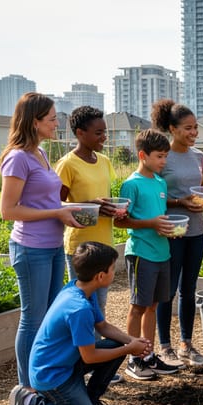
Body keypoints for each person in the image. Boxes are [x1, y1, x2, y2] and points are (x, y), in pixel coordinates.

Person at [6, 242, 152, 405]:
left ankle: (91, 403)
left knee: (116, 344)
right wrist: (129, 349)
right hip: (51, 375)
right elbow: (90, 357)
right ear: (100, 276)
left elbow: (103, 327)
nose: (114, 273)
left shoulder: (79, 288)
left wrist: (132, 341)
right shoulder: (78, 309)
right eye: (112, 269)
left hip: (66, 363)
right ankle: (32, 402)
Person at [0, 92, 83, 389]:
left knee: (48, 318)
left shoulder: (41, 153)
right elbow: (8, 210)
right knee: (32, 319)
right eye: (51, 118)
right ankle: (27, 388)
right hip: (30, 247)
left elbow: (45, 200)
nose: (56, 122)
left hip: (52, 246)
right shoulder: (18, 158)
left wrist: (64, 210)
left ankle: (44, 380)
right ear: (34, 122)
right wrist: (57, 212)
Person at [114, 129, 182, 380]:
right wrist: (152, 224)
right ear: (143, 155)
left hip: (162, 252)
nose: (164, 162)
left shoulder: (160, 182)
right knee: (137, 306)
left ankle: (148, 355)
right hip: (141, 252)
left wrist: (169, 230)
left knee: (153, 306)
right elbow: (120, 222)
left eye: (166, 157)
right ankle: (133, 358)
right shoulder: (131, 184)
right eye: (160, 157)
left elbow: (159, 217)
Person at [151, 99, 203, 367]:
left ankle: (186, 344)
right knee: (168, 290)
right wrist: (178, 203)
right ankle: (165, 347)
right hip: (172, 231)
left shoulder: (198, 156)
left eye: (195, 128)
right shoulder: (163, 157)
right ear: (172, 129)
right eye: (188, 128)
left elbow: (200, 191)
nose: (193, 133)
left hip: (196, 230)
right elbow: (155, 196)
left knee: (189, 289)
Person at [55, 105, 121, 314]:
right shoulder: (67, 164)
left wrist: (114, 209)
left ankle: (94, 347)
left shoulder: (104, 161)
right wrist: (91, 206)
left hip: (105, 244)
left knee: (99, 308)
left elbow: (104, 199)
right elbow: (55, 205)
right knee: (82, 307)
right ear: (80, 133)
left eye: (105, 132)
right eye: (98, 133)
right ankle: (84, 347)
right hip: (80, 247)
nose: (104, 138)